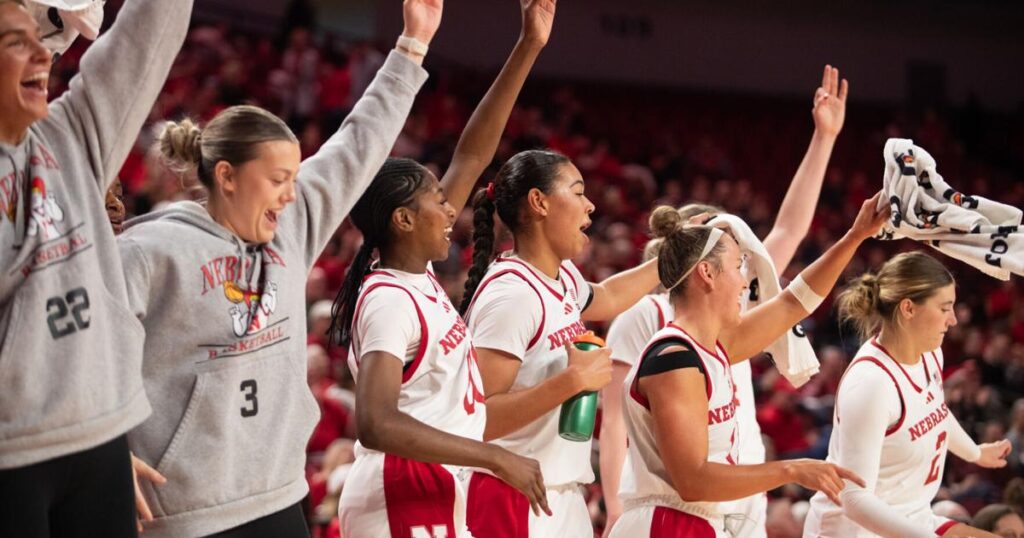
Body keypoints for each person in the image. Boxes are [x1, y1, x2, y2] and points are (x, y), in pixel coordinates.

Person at [116, 1, 441, 535]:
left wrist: (412, 45)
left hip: (282, 496)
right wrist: (105, 452)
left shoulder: (292, 225)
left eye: (294, 178)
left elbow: (358, 142)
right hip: (185, 513)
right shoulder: (148, 250)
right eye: (277, 180)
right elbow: (84, 356)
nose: (292, 194)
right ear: (227, 176)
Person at [330, 1, 558, 535]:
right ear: (404, 219)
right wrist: (493, 455)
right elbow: (375, 422)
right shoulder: (388, 299)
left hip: (432, 482)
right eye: (438, 200)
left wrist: (528, 45)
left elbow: (472, 157)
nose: (451, 209)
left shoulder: (415, 277)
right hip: (399, 486)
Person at [600, 65, 849, 536]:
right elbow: (614, 423)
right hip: (678, 496)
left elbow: (790, 234)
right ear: (704, 267)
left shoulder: (733, 307)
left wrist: (824, 138)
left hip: (741, 487)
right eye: (735, 257)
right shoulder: (648, 320)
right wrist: (614, 505)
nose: (746, 270)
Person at [0, 0, 192, 535]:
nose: (45, 52)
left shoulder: (70, 134)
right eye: (17, 42)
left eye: (40, 39)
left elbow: (147, 35)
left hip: (98, 441)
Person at [610, 195, 886, 537]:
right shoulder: (673, 359)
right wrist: (791, 470)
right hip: (666, 523)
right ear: (707, 273)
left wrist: (855, 237)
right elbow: (692, 481)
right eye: (737, 266)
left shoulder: (713, 347)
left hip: (695, 520)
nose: (744, 282)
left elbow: (793, 302)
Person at [459, 147, 666, 537]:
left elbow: (607, 296)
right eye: (577, 192)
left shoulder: (561, 275)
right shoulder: (512, 296)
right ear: (539, 202)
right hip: (510, 496)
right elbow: (476, 420)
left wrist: (669, 261)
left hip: (560, 493)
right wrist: (571, 382)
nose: (590, 205)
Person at [803, 251, 1012, 538]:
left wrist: (976, 453)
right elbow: (854, 500)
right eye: (945, 308)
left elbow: (935, 411)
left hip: (911, 517)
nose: (953, 320)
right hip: (857, 530)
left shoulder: (930, 354)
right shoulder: (871, 383)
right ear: (909, 308)